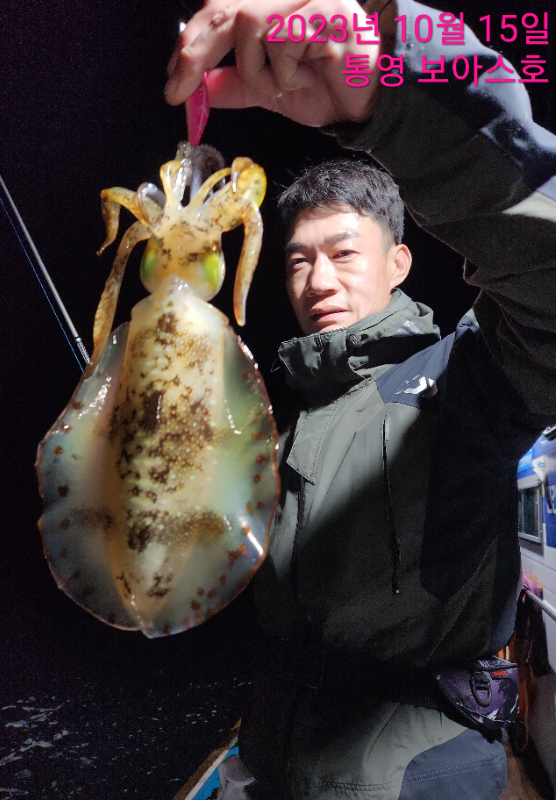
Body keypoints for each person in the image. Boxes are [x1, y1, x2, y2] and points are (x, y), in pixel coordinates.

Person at [166, 1, 556, 798]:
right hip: (275, 762)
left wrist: (391, 92)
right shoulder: (278, 419)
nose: (318, 280)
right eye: (297, 261)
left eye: (344, 253)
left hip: (417, 775)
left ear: (399, 262)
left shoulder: (470, 377)